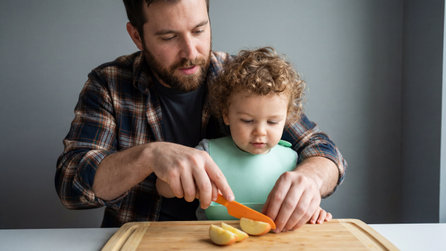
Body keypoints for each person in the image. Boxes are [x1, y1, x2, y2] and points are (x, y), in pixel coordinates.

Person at [55, 0, 346, 233]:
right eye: (169, 37)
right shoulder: (108, 84)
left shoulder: (241, 79)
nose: (191, 52)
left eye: (199, 30)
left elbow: (323, 150)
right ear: (137, 36)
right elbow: (71, 184)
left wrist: (310, 178)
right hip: (142, 239)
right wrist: (148, 156)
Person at [156, 47, 332, 225]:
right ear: (226, 115)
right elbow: (162, 187)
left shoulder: (293, 161)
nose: (260, 132)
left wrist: (312, 210)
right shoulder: (206, 153)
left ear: (287, 119)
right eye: (247, 121)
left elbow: (302, 203)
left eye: (272, 122)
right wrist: (177, 181)